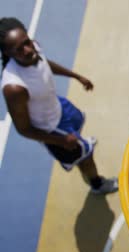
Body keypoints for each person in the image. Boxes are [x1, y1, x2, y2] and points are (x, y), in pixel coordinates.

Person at [0, 17, 118, 194]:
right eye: (19, 49)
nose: (28, 49)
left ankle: (81, 143)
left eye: (27, 42)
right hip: (52, 130)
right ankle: (97, 185)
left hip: (59, 107)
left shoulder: (31, 49)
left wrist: (76, 76)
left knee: (80, 130)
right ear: (8, 53)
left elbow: (44, 64)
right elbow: (24, 129)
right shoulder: (14, 88)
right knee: (85, 158)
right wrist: (61, 140)